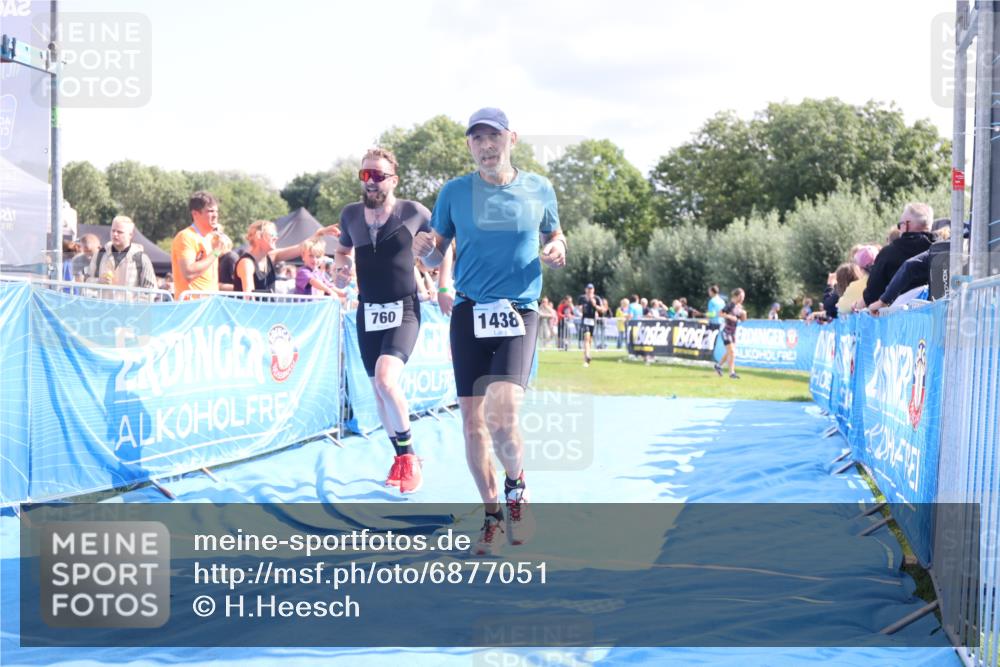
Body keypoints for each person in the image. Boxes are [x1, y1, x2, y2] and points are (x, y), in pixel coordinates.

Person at [412, 107, 566, 555]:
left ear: (511, 139)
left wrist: (556, 245)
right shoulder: (455, 192)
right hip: (469, 312)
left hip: (518, 313)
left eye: (493, 137)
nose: (485, 145)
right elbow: (433, 252)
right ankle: (493, 516)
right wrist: (423, 249)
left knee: (503, 416)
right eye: (477, 139)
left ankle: (517, 489)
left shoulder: (539, 187)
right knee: (473, 428)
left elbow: (556, 234)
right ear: (469, 146)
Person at [334, 147, 441, 494]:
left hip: (404, 307)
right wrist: (340, 267)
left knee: (385, 378)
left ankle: (410, 459)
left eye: (378, 175)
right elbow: (343, 249)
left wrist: (436, 265)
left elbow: (442, 250)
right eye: (365, 174)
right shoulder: (351, 215)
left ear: (393, 180)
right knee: (378, 392)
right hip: (368, 310)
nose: (370, 181)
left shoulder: (414, 211)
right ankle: (400, 456)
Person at [861, 203, 935, 307]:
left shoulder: (888, 253)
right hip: (937, 317)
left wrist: (856, 307)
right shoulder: (939, 251)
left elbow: (872, 295)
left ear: (906, 225)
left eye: (900, 225)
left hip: (900, 320)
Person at [234, 220, 335, 295]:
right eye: (272, 234)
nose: (276, 238)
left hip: (265, 314)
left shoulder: (271, 257)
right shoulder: (247, 263)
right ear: (258, 236)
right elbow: (248, 296)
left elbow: (301, 248)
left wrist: (319, 234)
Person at [171, 191, 226, 300]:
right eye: (210, 211)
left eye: (216, 211)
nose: (215, 215)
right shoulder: (186, 236)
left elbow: (228, 245)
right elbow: (188, 273)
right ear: (195, 214)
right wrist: (216, 252)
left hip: (210, 306)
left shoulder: (212, 237)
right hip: (191, 307)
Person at [87, 215, 157, 299]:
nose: (115, 234)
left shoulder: (141, 259)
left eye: (119, 232)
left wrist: (134, 307)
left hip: (130, 311)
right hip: (104, 310)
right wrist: (99, 281)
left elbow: (150, 291)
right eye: (113, 231)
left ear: (130, 235)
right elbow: (86, 282)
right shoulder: (100, 255)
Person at [714, 287, 747, 379]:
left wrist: (744, 315)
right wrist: (729, 317)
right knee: (732, 352)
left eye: (743, 297)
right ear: (736, 296)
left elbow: (742, 320)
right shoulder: (730, 305)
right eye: (741, 296)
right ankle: (731, 373)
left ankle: (718, 366)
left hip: (733, 332)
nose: (743, 299)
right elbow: (720, 313)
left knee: (730, 352)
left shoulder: (738, 307)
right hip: (726, 331)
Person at [578, 283, 606, 367]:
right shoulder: (582, 298)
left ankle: (586, 356)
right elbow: (578, 308)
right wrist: (580, 309)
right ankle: (587, 356)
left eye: (591, 289)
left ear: (593, 290)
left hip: (592, 321)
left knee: (589, 340)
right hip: (585, 320)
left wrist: (595, 305)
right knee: (586, 338)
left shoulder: (597, 298)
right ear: (586, 290)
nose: (589, 291)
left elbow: (603, 310)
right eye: (588, 289)